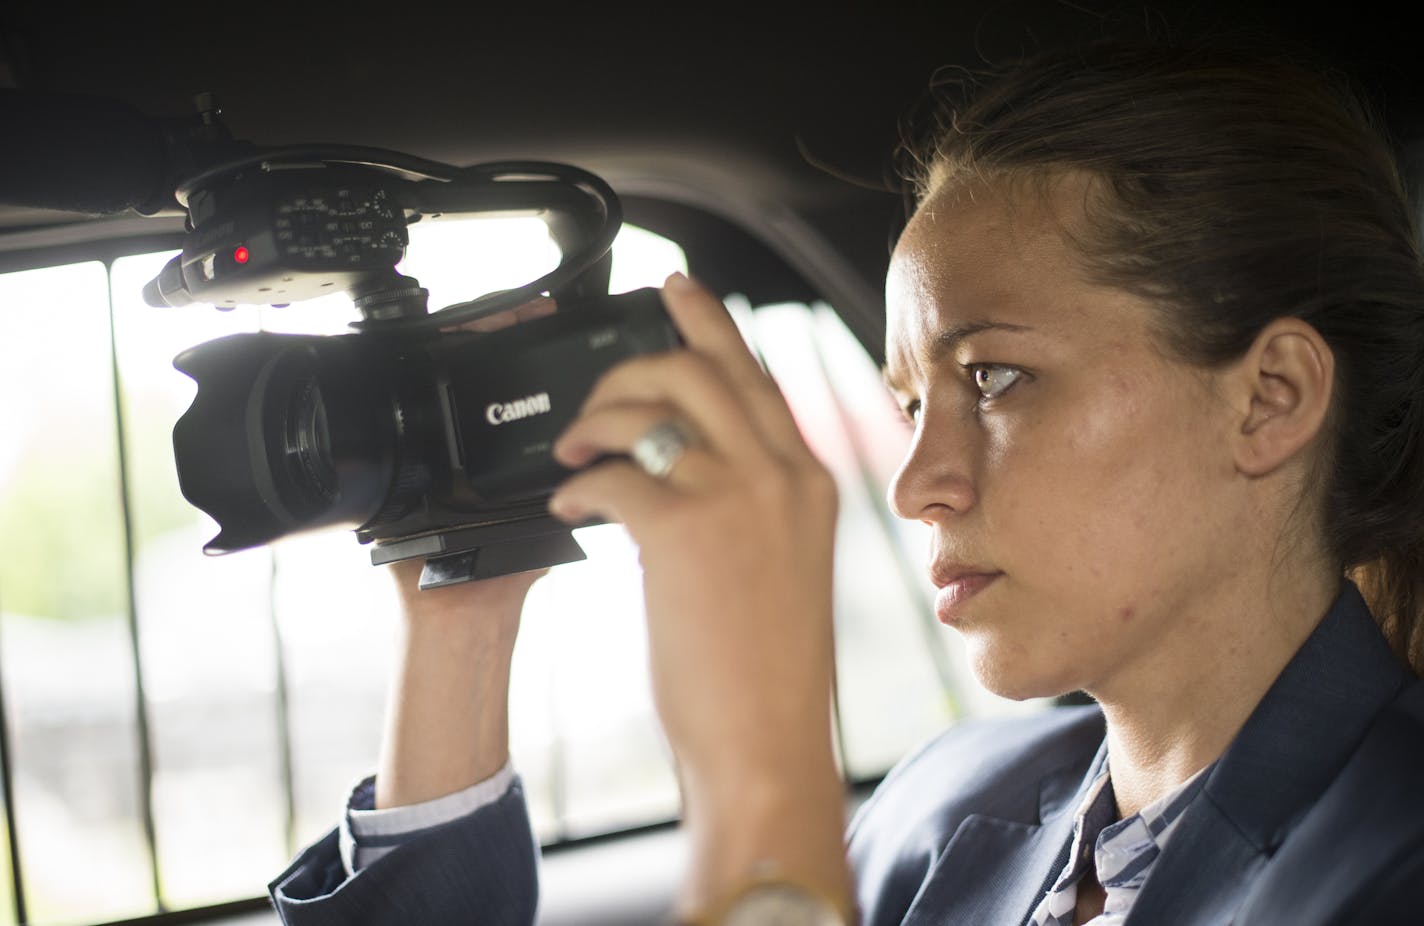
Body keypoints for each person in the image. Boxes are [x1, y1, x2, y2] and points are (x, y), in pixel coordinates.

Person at [268, 41, 1424, 925]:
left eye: (1000, 376)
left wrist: (763, 738)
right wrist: (459, 624)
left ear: (1269, 394)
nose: (919, 482)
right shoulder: (950, 800)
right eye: (911, 403)